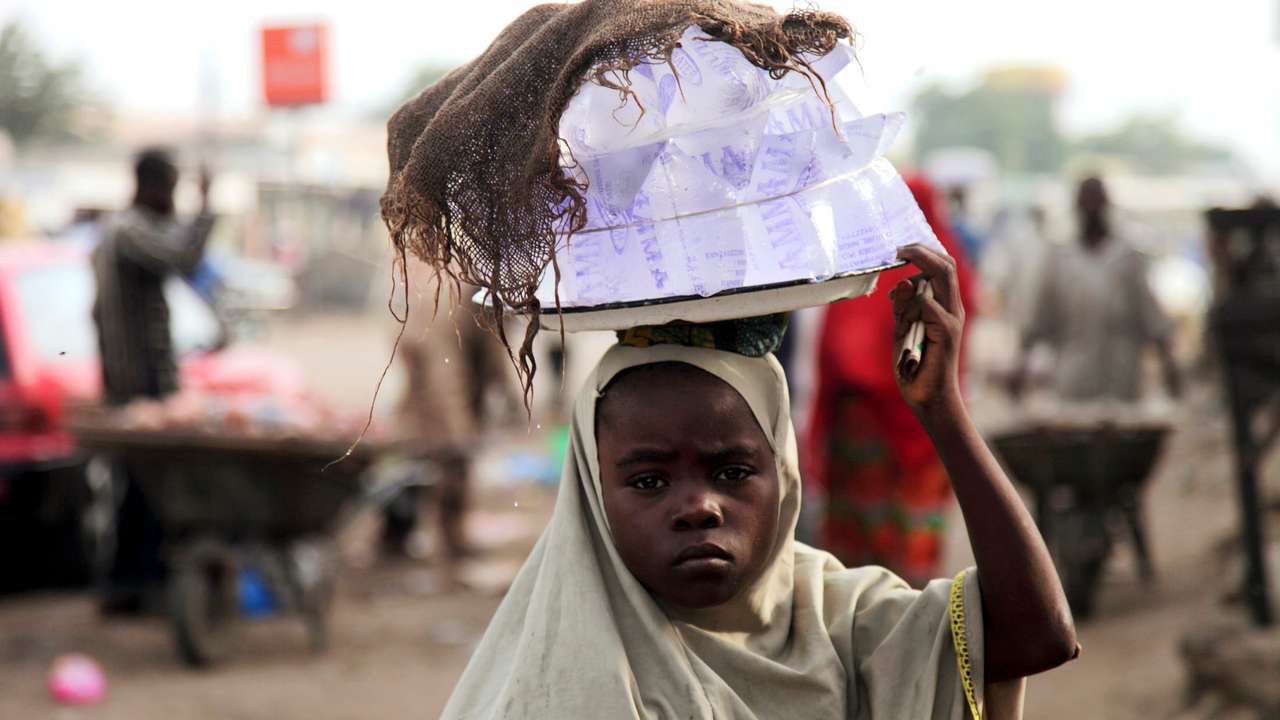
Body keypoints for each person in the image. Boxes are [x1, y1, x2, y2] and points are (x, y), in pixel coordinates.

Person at [438, 244, 1075, 719]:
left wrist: (943, 410)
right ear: (591, 491)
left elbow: (1035, 636)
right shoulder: (549, 678)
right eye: (650, 480)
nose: (697, 507)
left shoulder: (838, 622)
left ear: (786, 476)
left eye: (733, 472)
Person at [805, 174, 977, 585]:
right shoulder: (946, 266)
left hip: (867, 433)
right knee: (907, 554)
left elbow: (841, 356)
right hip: (919, 428)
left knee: (862, 564)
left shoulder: (864, 268)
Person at [92, 148, 214, 612]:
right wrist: (206, 208)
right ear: (153, 186)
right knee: (144, 487)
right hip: (136, 387)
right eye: (173, 187)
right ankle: (130, 585)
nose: (174, 198)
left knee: (142, 486)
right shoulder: (128, 232)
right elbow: (182, 256)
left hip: (139, 383)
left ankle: (138, 583)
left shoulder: (125, 230)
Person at [1011, 176, 1181, 401]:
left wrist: (1169, 364)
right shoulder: (1061, 259)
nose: (1091, 208)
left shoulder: (1128, 259)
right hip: (1074, 380)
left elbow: (1151, 315)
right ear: (1077, 206)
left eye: (1096, 201)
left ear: (1106, 205)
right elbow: (1038, 319)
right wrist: (1020, 366)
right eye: (1086, 201)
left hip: (1121, 379)